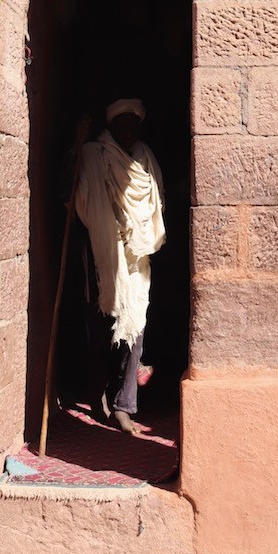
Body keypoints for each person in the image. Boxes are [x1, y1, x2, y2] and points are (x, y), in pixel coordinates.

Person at [75, 98, 166, 436]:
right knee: (101, 330)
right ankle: (96, 393)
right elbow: (73, 196)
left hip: (136, 257)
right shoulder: (93, 154)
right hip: (101, 255)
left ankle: (123, 406)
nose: (128, 130)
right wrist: (76, 146)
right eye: (121, 124)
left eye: (133, 124)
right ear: (110, 126)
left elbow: (156, 203)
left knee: (135, 328)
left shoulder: (145, 157)